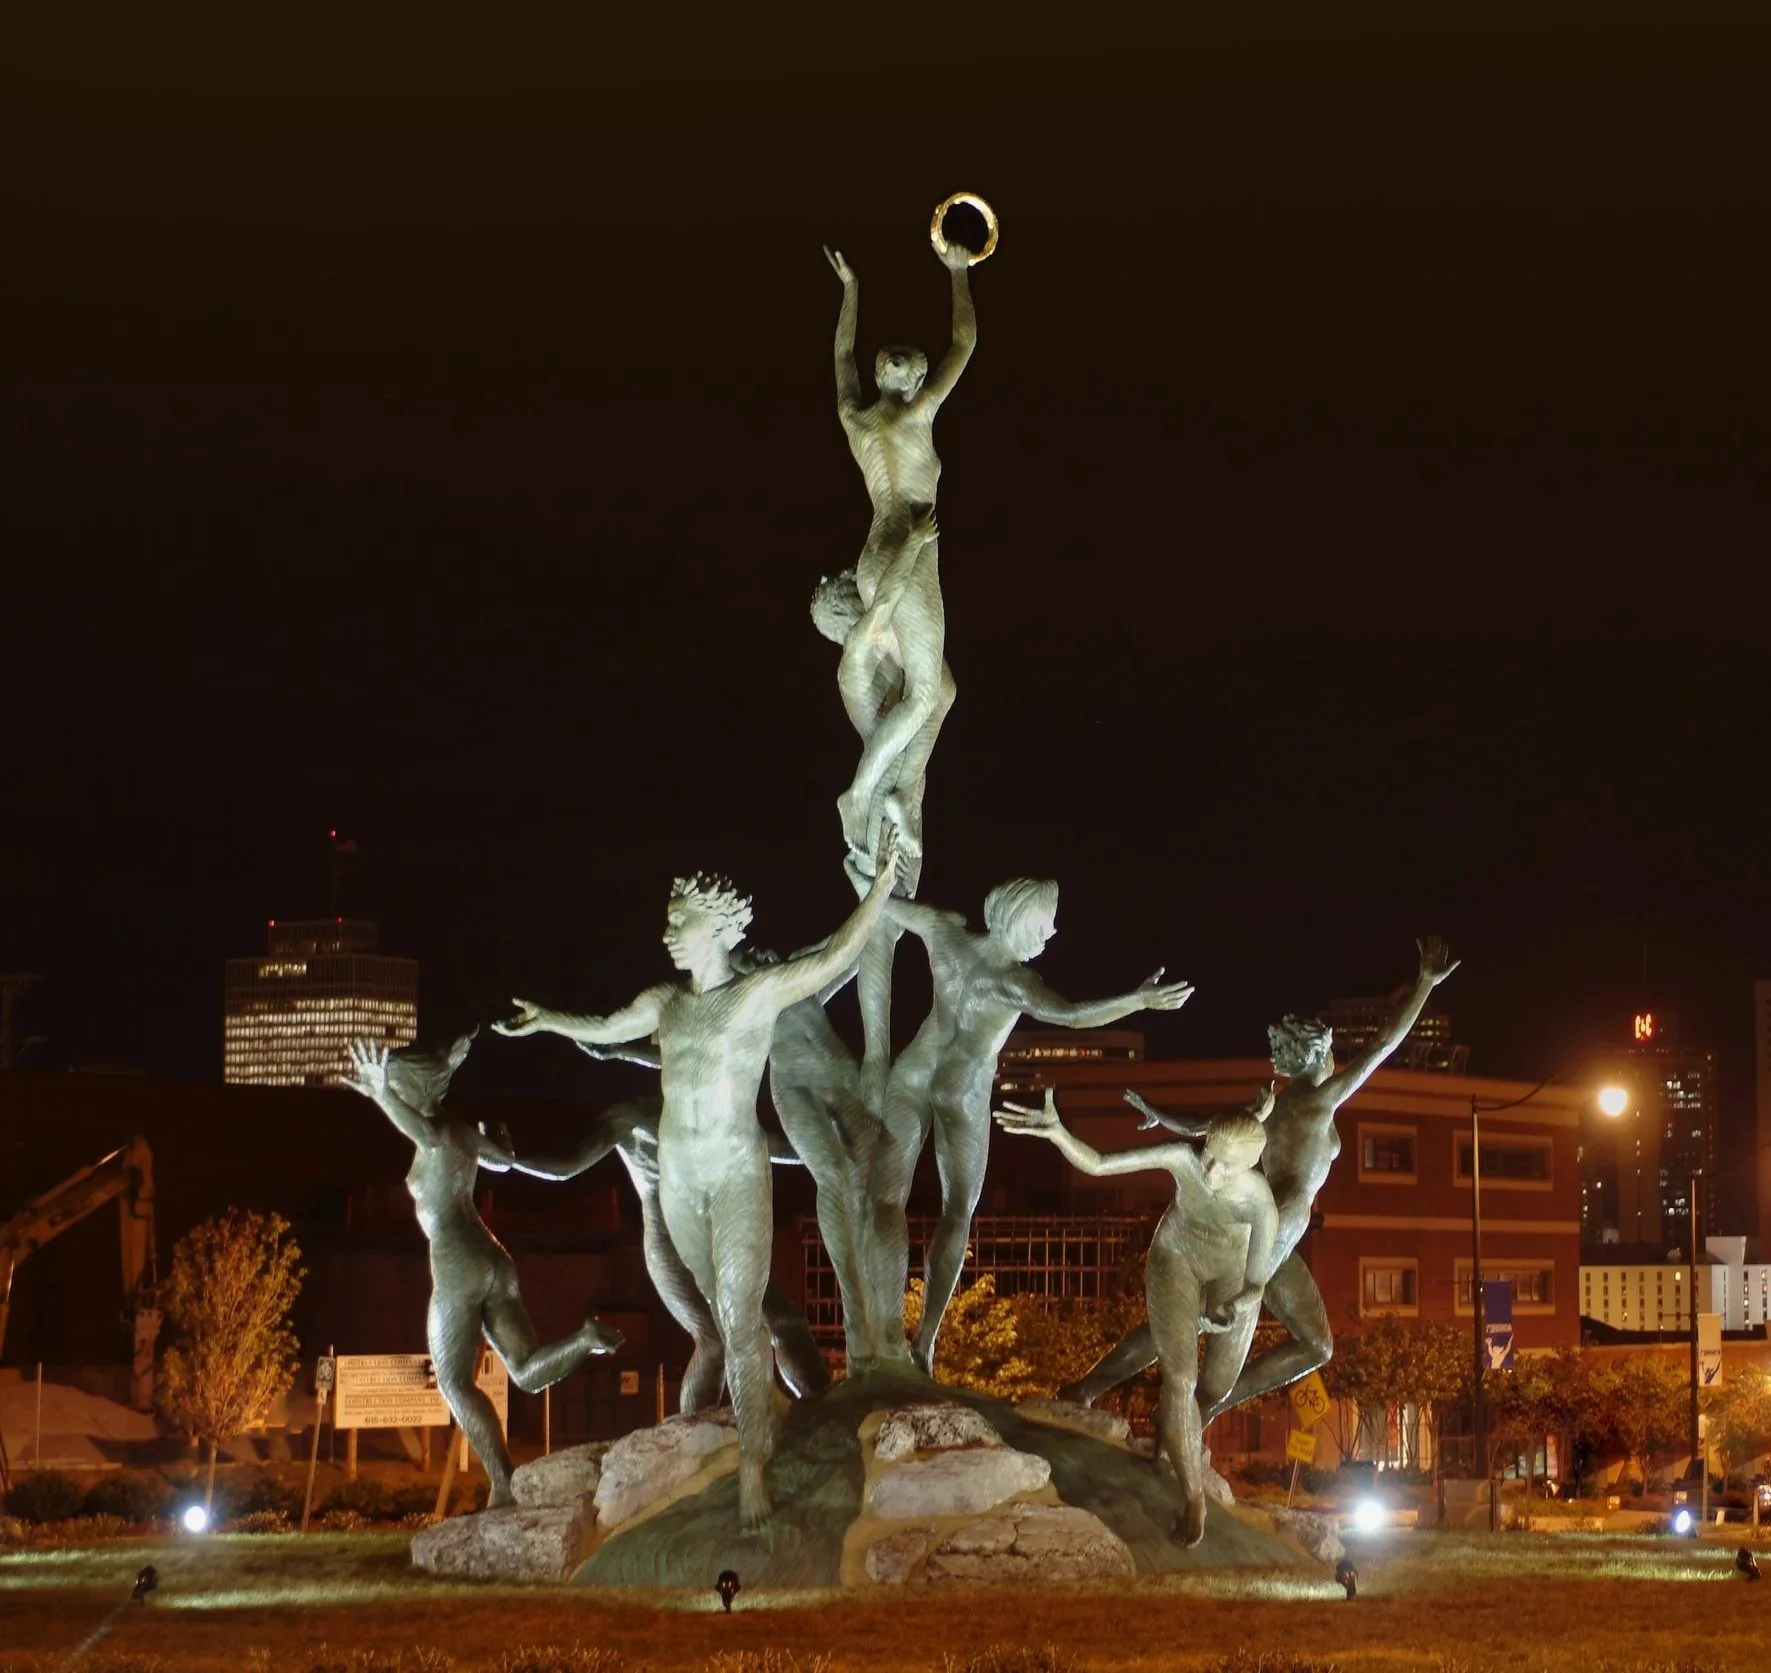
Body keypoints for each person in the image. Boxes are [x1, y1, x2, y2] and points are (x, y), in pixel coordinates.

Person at [494, 822, 905, 1531]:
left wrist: (882, 888)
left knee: (742, 1319)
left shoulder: (757, 994)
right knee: (720, 1316)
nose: (666, 935)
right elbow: (605, 1025)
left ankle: (752, 1469)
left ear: (714, 927)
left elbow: (836, 954)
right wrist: (548, 1020)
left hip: (736, 1172)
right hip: (680, 1181)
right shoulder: (665, 1002)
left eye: (677, 921)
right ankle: (747, 1425)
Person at [1058, 936, 1461, 1416]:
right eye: (1330, 1049)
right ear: (1316, 1054)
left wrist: (1161, 1115)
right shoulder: (1319, 1101)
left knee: (1315, 1344)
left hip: (1276, 1234)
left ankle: (1194, 1410)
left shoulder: (1274, 1107)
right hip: (1276, 1230)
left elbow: (1212, 1126)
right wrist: (1424, 984)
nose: (1334, 1057)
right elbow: (1381, 1046)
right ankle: (1100, 1391)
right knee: (1193, 1323)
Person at [854, 868, 1193, 1372]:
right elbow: (1073, 1016)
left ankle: (881, 1331)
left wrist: (866, 871)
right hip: (961, 1088)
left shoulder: (945, 930)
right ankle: (924, 1343)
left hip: (913, 1073)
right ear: (1019, 919)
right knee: (957, 1210)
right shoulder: (1015, 981)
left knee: (885, 1200)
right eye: (1044, 926)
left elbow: (881, 902)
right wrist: (1138, 1000)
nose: (1049, 937)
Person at [341, 1031, 622, 1509]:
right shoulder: (463, 1132)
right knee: (526, 1370)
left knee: (453, 1381)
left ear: (418, 1089)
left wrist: (382, 1095)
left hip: (457, 1258)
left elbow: (425, 1134)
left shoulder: (438, 1132)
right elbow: (504, 1163)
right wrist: (504, 1144)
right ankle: (584, 1339)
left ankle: (503, 1482)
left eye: (400, 1087)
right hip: (494, 1258)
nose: (396, 1094)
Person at [994, 1085, 1278, 1546]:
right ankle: (1193, 1498)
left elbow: (1256, 1283)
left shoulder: (1259, 1202)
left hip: (1230, 1274)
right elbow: (1100, 1164)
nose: (1211, 1171)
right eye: (1209, 1155)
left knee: (1217, 1387)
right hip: (1176, 1258)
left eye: (1226, 1166)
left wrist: (1236, 1307)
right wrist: (1058, 1133)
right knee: (1181, 1378)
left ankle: (1172, 1431)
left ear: (1250, 1165)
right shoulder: (1183, 1159)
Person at [507, 1081, 831, 1410]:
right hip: (669, 1241)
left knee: (786, 1321)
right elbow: (567, 1166)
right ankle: (692, 1431)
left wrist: (830, 1146)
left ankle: (825, 1409)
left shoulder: (710, 1114)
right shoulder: (630, 1118)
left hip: (716, 1239)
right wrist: (510, 1160)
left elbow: (769, 1146)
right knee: (714, 1340)